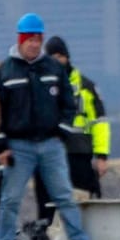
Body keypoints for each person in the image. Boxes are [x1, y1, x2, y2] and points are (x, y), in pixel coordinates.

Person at [0, 12, 92, 240]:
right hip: (19, 147)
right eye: (30, 40)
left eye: (38, 40)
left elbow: (70, 105)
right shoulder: (5, 71)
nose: (34, 44)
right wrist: (1, 145)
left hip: (50, 145)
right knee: (10, 200)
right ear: (20, 40)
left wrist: (62, 133)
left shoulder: (53, 68)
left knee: (64, 197)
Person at [32, 36, 109, 224]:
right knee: (47, 204)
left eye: (60, 56)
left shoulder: (86, 87)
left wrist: (101, 155)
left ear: (68, 57)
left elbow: (100, 122)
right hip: (47, 153)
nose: (57, 61)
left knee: (81, 201)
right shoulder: (38, 83)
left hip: (79, 152)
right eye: (52, 56)